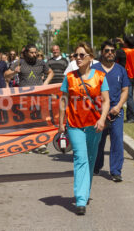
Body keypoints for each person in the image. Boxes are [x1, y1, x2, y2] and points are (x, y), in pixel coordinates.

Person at [58, 42, 110, 215]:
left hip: (95, 125)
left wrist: (102, 119)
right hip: (75, 125)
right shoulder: (70, 77)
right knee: (80, 158)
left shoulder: (100, 76)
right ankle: (80, 199)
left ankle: (85, 192)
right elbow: (63, 100)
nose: (78, 58)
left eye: (81, 55)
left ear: (91, 58)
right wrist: (61, 123)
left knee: (90, 158)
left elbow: (106, 100)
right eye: (76, 55)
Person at [5, 44, 54, 154]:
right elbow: (6, 75)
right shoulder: (19, 63)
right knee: (26, 121)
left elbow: (50, 72)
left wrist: (45, 83)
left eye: (35, 52)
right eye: (31, 52)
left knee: (40, 120)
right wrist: (14, 72)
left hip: (39, 96)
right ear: (26, 53)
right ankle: (27, 145)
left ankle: (41, 144)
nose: (34, 54)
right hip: (24, 97)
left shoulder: (41, 63)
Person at [93, 40, 130, 182]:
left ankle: (115, 171)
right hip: (99, 112)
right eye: (107, 51)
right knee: (98, 141)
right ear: (102, 52)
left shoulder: (121, 69)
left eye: (112, 51)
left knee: (117, 141)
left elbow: (125, 90)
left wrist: (119, 106)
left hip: (116, 112)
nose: (110, 53)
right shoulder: (94, 69)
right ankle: (96, 166)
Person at [120, 36, 134, 123]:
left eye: (124, 42)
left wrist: (120, 43)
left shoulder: (125, 51)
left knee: (128, 97)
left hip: (128, 75)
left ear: (126, 43)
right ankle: (129, 117)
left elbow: (119, 52)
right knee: (130, 96)